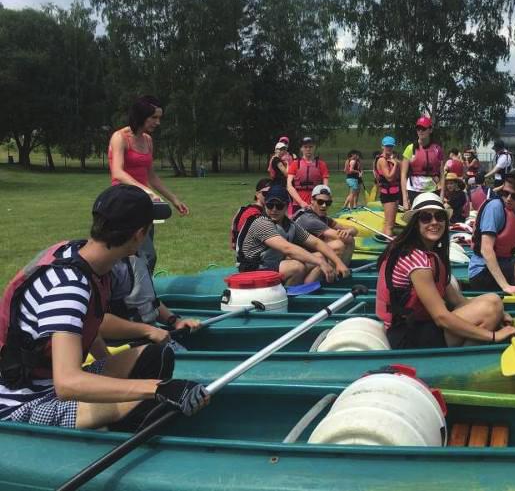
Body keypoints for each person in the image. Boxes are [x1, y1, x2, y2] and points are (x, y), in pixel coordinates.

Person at [0, 185, 208, 431]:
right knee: (157, 402)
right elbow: (67, 384)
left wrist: (108, 371)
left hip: (52, 383)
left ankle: (119, 424)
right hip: (26, 401)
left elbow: (89, 324)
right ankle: (116, 439)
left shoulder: (89, 260)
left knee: (156, 355)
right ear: (140, 234)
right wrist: (157, 388)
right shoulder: (69, 286)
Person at [375, 192, 515, 349]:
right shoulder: (416, 259)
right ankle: (464, 360)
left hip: (423, 326)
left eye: (439, 217)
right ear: (415, 223)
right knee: (490, 309)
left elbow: (457, 301)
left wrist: (500, 313)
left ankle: (468, 350)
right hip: (408, 335)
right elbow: (441, 317)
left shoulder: (432, 255)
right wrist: (493, 336)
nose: (434, 222)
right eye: (425, 218)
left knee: (493, 300)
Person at [108, 95, 189, 274]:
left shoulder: (148, 140)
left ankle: (140, 295)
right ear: (141, 115)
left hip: (143, 202)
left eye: (159, 118)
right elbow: (117, 172)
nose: (158, 122)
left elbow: (151, 176)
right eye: (154, 117)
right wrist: (145, 190)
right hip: (124, 202)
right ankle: (136, 296)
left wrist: (174, 199)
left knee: (145, 254)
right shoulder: (120, 137)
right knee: (143, 255)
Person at [235, 184, 350, 285]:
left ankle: (305, 292)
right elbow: (287, 248)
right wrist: (320, 262)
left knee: (320, 256)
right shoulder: (262, 222)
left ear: (286, 206)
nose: (274, 209)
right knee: (296, 267)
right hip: (252, 270)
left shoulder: (290, 225)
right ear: (265, 205)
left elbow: (316, 242)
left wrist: (338, 263)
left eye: (279, 206)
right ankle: (289, 299)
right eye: (270, 205)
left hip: (272, 265)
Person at [293, 185, 357, 264]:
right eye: (320, 202)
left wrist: (349, 231)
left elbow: (353, 229)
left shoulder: (317, 215)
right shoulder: (310, 220)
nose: (324, 205)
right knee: (340, 244)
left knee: (335, 239)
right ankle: (341, 271)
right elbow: (346, 238)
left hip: (303, 254)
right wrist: (349, 233)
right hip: (297, 259)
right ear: (312, 200)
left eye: (328, 203)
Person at [401, 116, 445, 210]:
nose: (420, 131)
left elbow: (442, 175)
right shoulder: (410, 149)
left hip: (433, 190)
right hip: (414, 190)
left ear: (430, 130)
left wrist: (441, 195)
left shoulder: (437, 150)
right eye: (418, 128)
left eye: (423, 129)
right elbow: (403, 175)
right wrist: (405, 199)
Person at [287, 136, 330, 209]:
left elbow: (325, 187)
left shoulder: (321, 164)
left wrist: (317, 201)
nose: (308, 149)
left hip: (316, 204)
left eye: (310, 147)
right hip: (297, 203)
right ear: (301, 148)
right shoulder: (295, 164)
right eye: (305, 147)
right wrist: (301, 202)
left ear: (314, 148)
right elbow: (289, 186)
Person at [374, 136, 401, 237]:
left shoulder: (391, 159)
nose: (389, 148)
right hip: (388, 195)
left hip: (394, 193)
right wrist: (395, 165)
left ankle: (383, 240)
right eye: (387, 146)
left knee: (389, 223)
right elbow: (389, 178)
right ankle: (388, 246)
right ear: (382, 146)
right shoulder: (382, 160)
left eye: (391, 146)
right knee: (390, 225)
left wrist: (396, 163)